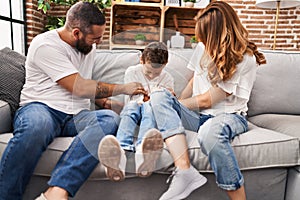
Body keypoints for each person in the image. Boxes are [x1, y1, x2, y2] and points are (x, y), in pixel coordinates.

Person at [0, 2, 146, 200]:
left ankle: (57, 191)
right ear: (76, 33)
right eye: (95, 38)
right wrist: (122, 88)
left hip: (77, 115)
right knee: (37, 127)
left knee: (109, 119)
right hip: (42, 108)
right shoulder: (45, 44)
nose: (99, 42)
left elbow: (81, 83)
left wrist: (106, 103)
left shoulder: (88, 48)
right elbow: (78, 86)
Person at [149, 1, 267, 200]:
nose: (201, 42)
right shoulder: (204, 47)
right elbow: (194, 79)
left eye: (205, 38)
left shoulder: (245, 59)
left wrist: (175, 105)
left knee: (209, 134)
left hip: (228, 117)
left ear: (218, 35)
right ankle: (185, 172)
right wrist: (173, 101)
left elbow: (207, 100)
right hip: (198, 115)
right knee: (158, 96)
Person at [98, 41, 207, 197]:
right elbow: (133, 99)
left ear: (165, 64)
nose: (152, 76)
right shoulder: (132, 72)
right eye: (148, 72)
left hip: (151, 111)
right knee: (130, 109)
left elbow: (160, 103)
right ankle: (121, 151)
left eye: (156, 73)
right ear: (141, 61)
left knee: (150, 108)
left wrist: (164, 97)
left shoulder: (167, 77)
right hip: (133, 107)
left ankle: (143, 151)